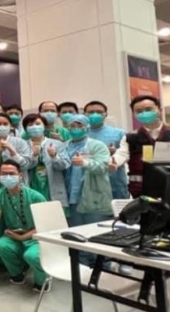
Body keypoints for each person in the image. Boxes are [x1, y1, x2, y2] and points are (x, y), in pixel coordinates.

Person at [0, 160, 49, 292]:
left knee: (32, 256)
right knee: (0, 245)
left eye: (11, 173)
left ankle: (42, 281)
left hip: (35, 237)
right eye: (4, 174)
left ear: (20, 175)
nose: (8, 177)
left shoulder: (36, 197)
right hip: (13, 235)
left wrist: (23, 237)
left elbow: (45, 226)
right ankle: (18, 272)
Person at [64, 115, 112, 244]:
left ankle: (96, 258)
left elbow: (103, 167)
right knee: (76, 236)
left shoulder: (97, 145)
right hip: (70, 197)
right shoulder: (64, 146)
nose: (75, 128)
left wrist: (85, 163)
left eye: (79, 125)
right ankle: (81, 258)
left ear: (87, 127)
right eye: (72, 126)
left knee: (95, 235)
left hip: (92, 195)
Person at [22, 113, 71, 209]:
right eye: (30, 125)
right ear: (26, 128)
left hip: (52, 186)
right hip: (31, 185)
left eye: (37, 124)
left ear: (44, 126)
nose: (34, 127)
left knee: (54, 213)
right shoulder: (22, 145)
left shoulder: (57, 144)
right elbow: (21, 166)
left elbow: (65, 165)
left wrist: (54, 156)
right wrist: (33, 156)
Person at [84, 100, 129, 199]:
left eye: (99, 112)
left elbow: (125, 154)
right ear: (85, 115)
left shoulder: (119, 133)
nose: (95, 114)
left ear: (106, 114)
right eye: (91, 112)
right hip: (89, 181)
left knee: (118, 208)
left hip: (114, 181)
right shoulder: (80, 133)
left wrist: (115, 152)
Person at [0, 112, 32, 193]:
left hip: (19, 186)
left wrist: (13, 152)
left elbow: (25, 165)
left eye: (5, 124)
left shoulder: (21, 142)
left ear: (10, 126)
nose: (2, 126)